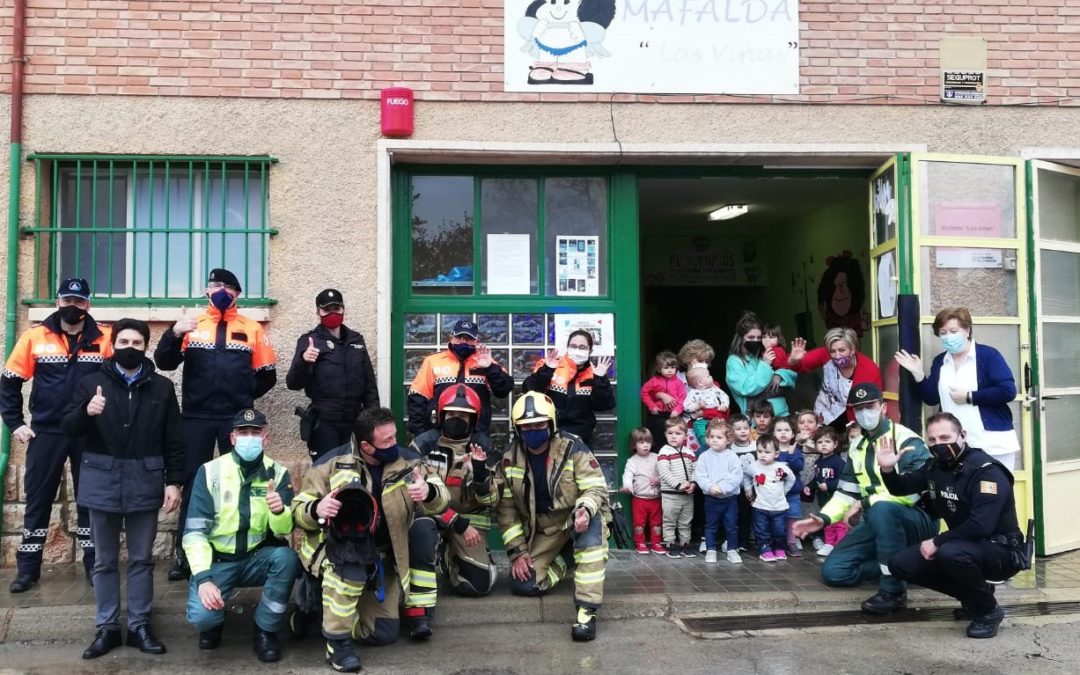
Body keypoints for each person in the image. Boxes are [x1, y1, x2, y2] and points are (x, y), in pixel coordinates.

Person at [62, 318, 184, 659]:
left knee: (142, 559)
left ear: (145, 347)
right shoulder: (91, 383)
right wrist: (87, 412)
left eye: (137, 343)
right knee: (104, 560)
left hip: (145, 480)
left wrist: (174, 481)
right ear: (113, 344)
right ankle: (107, 628)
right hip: (102, 479)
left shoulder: (161, 387)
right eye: (124, 342)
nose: (130, 348)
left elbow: (173, 438)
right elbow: (68, 427)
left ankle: (141, 625)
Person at [292, 407, 449, 672]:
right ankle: (337, 645)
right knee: (348, 570)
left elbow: (442, 499)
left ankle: (319, 610)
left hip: (382, 557)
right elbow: (298, 511)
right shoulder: (330, 464)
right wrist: (316, 509)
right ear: (366, 445)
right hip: (339, 549)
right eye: (386, 441)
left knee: (383, 633)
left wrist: (429, 491)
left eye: (394, 436)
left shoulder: (409, 462)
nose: (394, 444)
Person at [155, 268, 278, 581]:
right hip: (195, 417)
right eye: (214, 286)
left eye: (227, 287)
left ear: (237, 293)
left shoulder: (251, 328)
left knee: (241, 483)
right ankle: (185, 555)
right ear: (207, 292)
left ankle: (246, 551)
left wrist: (242, 398)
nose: (220, 290)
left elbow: (268, 375)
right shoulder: (193, 325)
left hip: (235, 421)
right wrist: (174, 332)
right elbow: (163, 361)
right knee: (193, 483)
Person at [1, 278, 111, 592]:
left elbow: (117, 381)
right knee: (38, 500)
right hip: (47, 432)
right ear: (58, 302)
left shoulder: (104, 337)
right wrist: (15, 423)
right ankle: (27, 571)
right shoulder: (35, 336)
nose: (72, 307)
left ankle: (95, 566)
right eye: (67, 301)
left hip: (89, 432)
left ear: (88, 305)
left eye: (78, 302)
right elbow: (9, 383)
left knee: (90, 501)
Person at [792, 383, 937, 615]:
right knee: (835, 572)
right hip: (877, 521)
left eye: (870, 406)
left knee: (881, 508)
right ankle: (910, 565)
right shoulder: (857, 445)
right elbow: (846, 492)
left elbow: (915, 491)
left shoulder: (907, 440)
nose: (864, 413)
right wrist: (823, 519)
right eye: (858, 409)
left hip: (916, 520)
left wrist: (865, 502)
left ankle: (893, 591)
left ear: (884, 407)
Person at [883, 413, 1024, 639]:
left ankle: (988, 612)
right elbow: (901, 487)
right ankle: (977, 597)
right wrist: (888, 469)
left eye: (945, 437)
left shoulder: (986, 471)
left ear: (962, 436)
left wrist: (937, 541)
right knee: (900, 564)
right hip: (962, 545)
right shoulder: (935, 467)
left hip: (1001, 551)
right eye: (932, 440)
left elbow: (980, 526)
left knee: (950, 552)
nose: (939, 445)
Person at [183, 408, 298, 663]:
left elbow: (283, 531)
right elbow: (194, 533)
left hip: (255, 558)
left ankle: (266, 630)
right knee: (203, 618)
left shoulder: (277, 474)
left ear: (265, 438)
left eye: (255, 432)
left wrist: (279, 510)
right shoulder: (210, 472)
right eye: (243, 432)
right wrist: (203, 579)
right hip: (218, 562)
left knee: (287, 559)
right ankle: (214, 623)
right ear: (232, 438)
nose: (249, 438)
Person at [497, 391, 610, 642]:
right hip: (546, 529)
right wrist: (517, 552)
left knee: (589, 527)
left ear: (551, 424)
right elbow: (506, 509)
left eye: (539, 425)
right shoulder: (508, 458)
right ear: (517, 429)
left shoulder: (573, 448)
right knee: (523, 585)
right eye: (526, 427)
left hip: (576, 517)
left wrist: (585, 509)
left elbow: (595, 487)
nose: (533, 431)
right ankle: (569, 560)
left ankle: (586, 611)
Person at [894, 307, 1021, 470]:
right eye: (943, 332)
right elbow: (932, 398)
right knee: (960, 491)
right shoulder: (941, 361)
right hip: (955, 445)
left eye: (954, 331)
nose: (948, 337)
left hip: (991, 443)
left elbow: (1007, 391)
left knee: (995, 491)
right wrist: (918, 374)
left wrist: (969, 397)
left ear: (967, 331)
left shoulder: (988, 355)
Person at [411, 384, 499, 597]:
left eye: (464, 415)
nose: (457, 418)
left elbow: (492, 500)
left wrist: (479, 472)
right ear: (441, 415)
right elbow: (415, 497)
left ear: (474, 419)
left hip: (470, 524)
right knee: (419, 533)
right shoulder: (422, 445)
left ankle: (453, 557)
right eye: (451, 413)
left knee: (479, 585)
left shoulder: (483, 447)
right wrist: (455, 521)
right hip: (435, 519)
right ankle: (436, 553)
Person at [286, 289, 380, 460]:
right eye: (326, 309)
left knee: (354, 473)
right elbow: (293, 383)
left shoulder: (356, 340)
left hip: (354, 421)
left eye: (336, 308)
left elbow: (369, 384)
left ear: (344, 309)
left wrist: (373, 420)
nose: (332, 313)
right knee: (326, 473)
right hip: (325, 422)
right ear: (318, 312)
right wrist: (304, 360)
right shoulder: (309, 341)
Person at [407, 319, 513, 437]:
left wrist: (490, 368)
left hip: (475, 435)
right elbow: (417, 399)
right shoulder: (433, 361)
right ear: (451, 337)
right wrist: (422, 433)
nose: (463, 341)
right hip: (439, 434)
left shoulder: (484, 361)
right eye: (459, 337)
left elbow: (504, 390)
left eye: (468, 338)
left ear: (476, 341)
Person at [523, 328, 614, 447]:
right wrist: (547, 369)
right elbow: (529, 390)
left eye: (582, 347)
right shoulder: (551, 364)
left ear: (590, 350)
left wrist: (599, 379)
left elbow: (604, 405)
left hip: (581, 440)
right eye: (573, 346)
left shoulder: (594, 373)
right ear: (567, 347)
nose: (577, 350)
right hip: (550, 436)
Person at [787, 327, 883, 432]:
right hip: (824, 415)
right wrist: (793, 361)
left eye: (842, 350)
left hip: (853, 421)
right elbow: (799, 366)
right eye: (833, 351)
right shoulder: (825, 354)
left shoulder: (869, 369)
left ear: (853, 349)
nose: (837, 355)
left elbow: (874, 403)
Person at [725, 312, 796, 418]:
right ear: (741, 338)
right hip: (757, 419)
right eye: (751, 337)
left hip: (781, 415)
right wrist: (766, 366)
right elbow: (747, 389)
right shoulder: (734, 361)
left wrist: (779, 375)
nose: (756, 341)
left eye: (759, 337)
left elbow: (791, 374)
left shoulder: (763, 353)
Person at [694, 419, 743, 564]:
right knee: (710, 525)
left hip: (729, 499)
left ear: (728, 440)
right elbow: (700, 475)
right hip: (711, 499)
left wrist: (723, 487)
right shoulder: (704, 457)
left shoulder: (732, 457)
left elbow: (736, 476)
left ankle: (732, 550)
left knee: (732, 525)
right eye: (711, 437)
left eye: (719, 437)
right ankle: (711, 550)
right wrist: (710, 487)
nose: (714, 440)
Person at [743, 434, 795, 562]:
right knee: (761, 530)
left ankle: (779, 548)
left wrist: (784, 491)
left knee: (779, 530)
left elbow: (791, 479)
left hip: (779, 507)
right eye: (759, 451)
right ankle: (765, 549)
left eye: (767, 452)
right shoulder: (754, 466)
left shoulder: (781, 468)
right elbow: (746, 475)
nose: (762, 455)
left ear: (776, 454)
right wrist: (748, 488)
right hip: (760, 506)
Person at [802, 426, 846, 557]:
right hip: (824, 500)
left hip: (837, 500)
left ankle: (840, 545)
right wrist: (809, 486)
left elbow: (844, 480)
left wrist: (830, 485)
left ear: (835, 444)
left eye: (827, 442)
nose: (824, 445)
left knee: (839, 523)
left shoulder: (838, 462)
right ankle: (829, 543)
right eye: (820, 442)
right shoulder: (819, 461)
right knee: (827, 522)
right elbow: (817, 478)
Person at [656, 417, 697, 558]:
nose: (673, 436)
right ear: (665, 434)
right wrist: (678, 485)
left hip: (687, 495)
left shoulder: (689, 452)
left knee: (686, 520)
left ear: (685, 436)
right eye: (670, 433)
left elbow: (695, 469)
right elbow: (664, 472)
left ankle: (685, 543)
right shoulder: (664, 452)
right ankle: (670, 543)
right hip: (670, 494)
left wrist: (693, 483)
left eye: (678, 434)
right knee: (669, 520)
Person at [621, 427, 665, 555]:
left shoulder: (656, 457)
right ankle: (640, 542)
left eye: (648, 442)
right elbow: (627, 475)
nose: (645, 445)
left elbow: (665, 472)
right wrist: (627, 486)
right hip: (639, 499)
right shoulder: (632, 461)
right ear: (634, 445)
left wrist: (659, 480)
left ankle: (656, 542)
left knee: (656, 522)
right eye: (641, 442)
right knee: (639, 522)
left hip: (655, 498)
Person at [640, 350, 685, 452]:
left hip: (673, 415)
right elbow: (644, 392)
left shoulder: (679, 383)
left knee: (673, 438)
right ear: (659, 369)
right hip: (658, 414)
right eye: (666, 368)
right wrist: (651, 405)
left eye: (673, 368)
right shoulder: (654, 381)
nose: (670, 370)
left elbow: (682, 398)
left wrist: (677, 410)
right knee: (656, 436)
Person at [773, 416, 804, 557]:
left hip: (792, 492)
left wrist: (791, 453)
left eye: (787, 430)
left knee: (792, 518)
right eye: (779, 430)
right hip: (774, 492)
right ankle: (776, 543)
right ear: (773, 433)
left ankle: (791, 542)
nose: (783, 433)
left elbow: (798, 467)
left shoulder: (796, 450)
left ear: (793, 434)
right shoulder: (772, 451)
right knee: (776, 519)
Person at [681, 364, 731, 443]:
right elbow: (685, 406)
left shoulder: (714, 388)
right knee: (701, 433)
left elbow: (724, 396)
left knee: (721, 431)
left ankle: (720, 444)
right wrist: (696, 406)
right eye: (708, 376)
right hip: (700, 420)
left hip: (716, 418)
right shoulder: (692, 393)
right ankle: (705, 444)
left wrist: (724, 405)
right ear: (700, 382)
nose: (711, 377)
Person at [730, 415, 757, 552]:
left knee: (752, 515)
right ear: (731, 431)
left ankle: (749, 540)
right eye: (738, 428)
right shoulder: (730, 449)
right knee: (739, 515)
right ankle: (738, 541)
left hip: (755, 488)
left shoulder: (756, 446)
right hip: (736, 489)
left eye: (746, 428)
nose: (743, 431)